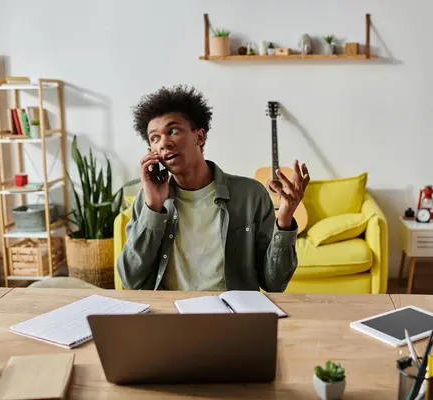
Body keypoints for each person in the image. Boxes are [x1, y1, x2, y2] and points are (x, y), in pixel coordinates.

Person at [117, 85, 310, 292]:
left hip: (230, 314)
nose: (164, 143)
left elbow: (275, 283)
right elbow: (131, 279)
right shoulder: (148, 201)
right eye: (154, 138)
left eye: (173, 130)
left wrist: (285, 218)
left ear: (199, 137)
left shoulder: (249, 195)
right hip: (171, 314)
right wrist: (153, 207)